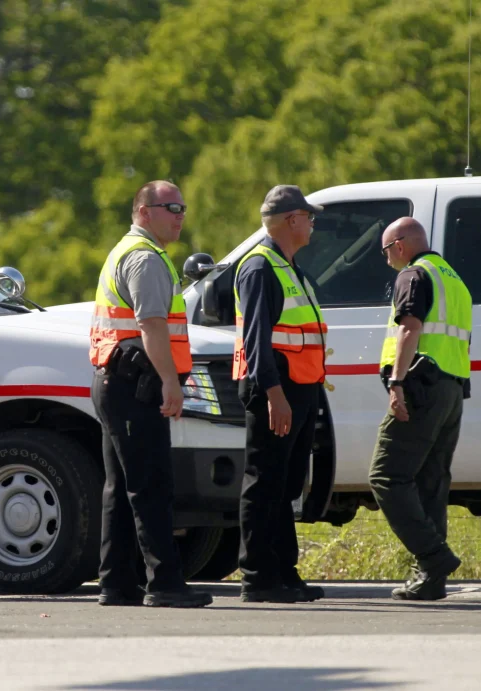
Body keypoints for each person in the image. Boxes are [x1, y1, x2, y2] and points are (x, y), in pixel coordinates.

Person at [88, 180, 213, 609]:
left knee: (122, 486)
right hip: (136, 384)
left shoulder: (131, 251)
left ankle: (117, 584)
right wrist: (171, 382)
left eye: (182, 206)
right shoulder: (144, 258)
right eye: (170, 206)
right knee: (150, 485)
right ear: (144, 212)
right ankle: (164, 584)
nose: (180, 214)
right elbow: (153, 325)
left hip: (118, 381)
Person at [233, 185, 329, 603]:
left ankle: (283, 571)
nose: (312, 223)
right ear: (291, 220)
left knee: (286, 485)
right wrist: (275, 395)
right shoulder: (260, 268)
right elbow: (257, 342)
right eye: (309, 216)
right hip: (277, 389)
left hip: (301, 388)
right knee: (264, 482)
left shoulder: (290, 268)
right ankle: (257, 577)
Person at [369, 216, 473, 601]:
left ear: (399, 244)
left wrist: (396, 383)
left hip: (420, 388)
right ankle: (430, 579)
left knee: (386, 476)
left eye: (385, 252)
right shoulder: (454, 279)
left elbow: (409, 328)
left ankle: (434, 556)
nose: (386, 261)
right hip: (450, 390)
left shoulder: (413, 275)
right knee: (431, 482)